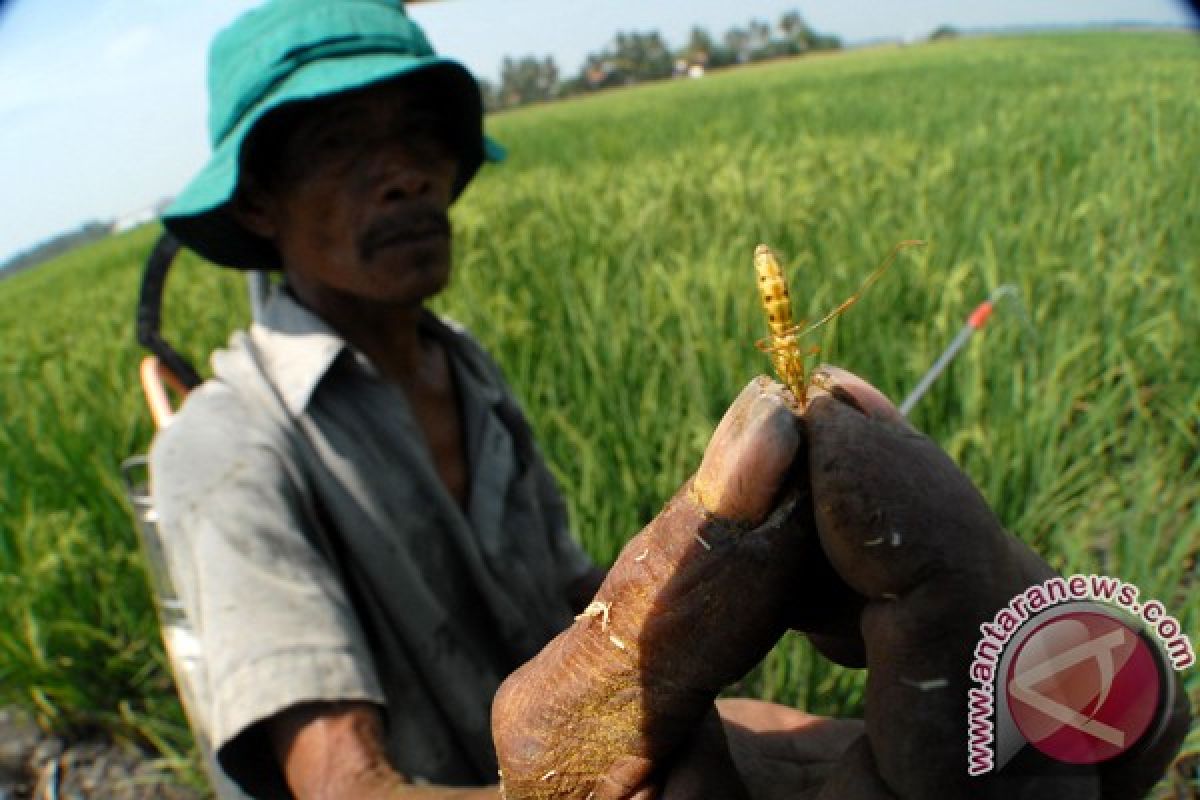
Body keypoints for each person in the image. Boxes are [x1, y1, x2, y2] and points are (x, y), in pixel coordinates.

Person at [151, 1, 1189, 798]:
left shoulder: (460, 363)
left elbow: (571, 593)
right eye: (340, 145)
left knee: (1011, 745)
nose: (405, 177)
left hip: (612, 755)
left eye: (418, 136)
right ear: (255, 201)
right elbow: (340, 782)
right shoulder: (226, 446)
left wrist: (743, 582)